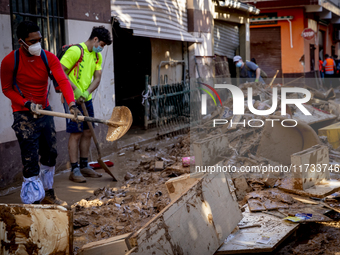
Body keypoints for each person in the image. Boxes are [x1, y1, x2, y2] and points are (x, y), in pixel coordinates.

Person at [0, 21, 80, 205]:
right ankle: (33, 201)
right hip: (23, 114)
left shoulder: (48, 57)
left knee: (50, 154)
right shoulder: (10, 61)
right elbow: (6, 89)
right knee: (30, 158)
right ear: (21, 42)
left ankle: (48, 194)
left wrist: (72, 104)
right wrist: (26, 103)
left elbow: (63, 80)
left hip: (45, 111)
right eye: (32, 40)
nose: (37, 44)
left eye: (39, 40)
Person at [60, 26, 112, 183]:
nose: (101, 48)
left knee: (88, 131)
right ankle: (74, 169)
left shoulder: (97, 57)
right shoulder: (76, 51)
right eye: (102, 45)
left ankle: (84, 165)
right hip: (71, 98)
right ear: (95, 39)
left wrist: (87, 92)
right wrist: (74, 90)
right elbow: (60, 71)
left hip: (85, 98)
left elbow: (97, 77)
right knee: (75, 133)